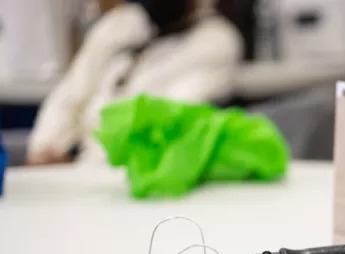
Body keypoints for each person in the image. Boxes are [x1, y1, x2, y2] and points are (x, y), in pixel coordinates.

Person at [25, 0, 242, 166]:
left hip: (131, 176)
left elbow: (164, 123)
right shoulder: (119, 24)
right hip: (72, 174)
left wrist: (90, 164)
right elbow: (70, 94)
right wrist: (47, 148)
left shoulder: (216, 41)